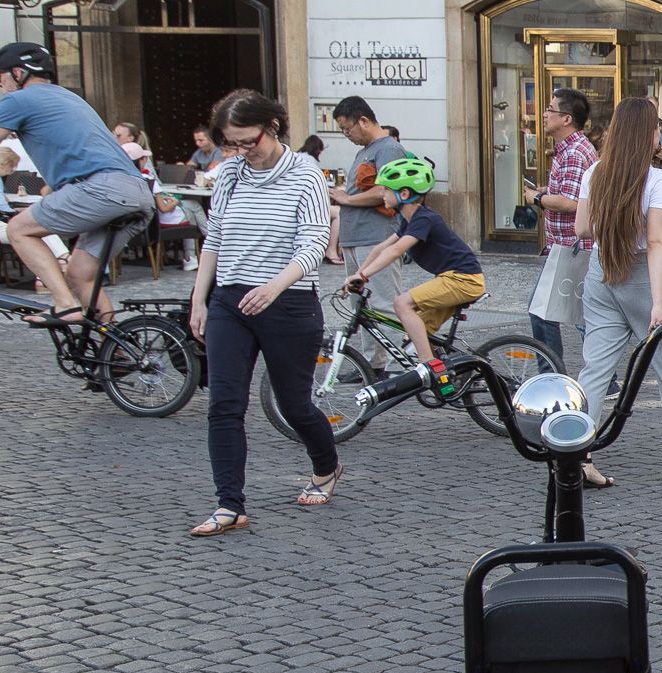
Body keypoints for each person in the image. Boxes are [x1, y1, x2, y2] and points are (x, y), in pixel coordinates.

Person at [186, 89, 338, 537]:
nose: (240, 151)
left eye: (247, 141)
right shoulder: (230, 171)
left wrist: (273, 287)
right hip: (229, 302)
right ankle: (229, 504)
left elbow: (313, 244)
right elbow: (214, 238)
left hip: (287, 301)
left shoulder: (305, 173)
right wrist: (199, 298)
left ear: (271, 127)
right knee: (224, 405)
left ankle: (327, 467)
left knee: (294, 405)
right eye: (231, 143)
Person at [576, 97, 662, 484]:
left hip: (602, 269)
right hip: (640, 274)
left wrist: (614, 226)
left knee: (596, 368)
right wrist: (658, 302)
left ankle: (580, 454)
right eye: (656, 125)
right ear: (646, 133)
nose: (660, 131)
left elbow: (582, 229)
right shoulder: (655, 180)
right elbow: (656, 243)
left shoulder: (596, 172)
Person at [0, 42, 154, 325]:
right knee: (79, 274)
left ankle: (64, 305)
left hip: (99, 189)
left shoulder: (18, 101)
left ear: (17, 73)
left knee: (19, 229)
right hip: (135, 190)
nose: (0, 84)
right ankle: (115, 348)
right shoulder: (68, 96)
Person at [345, 157, 486, 366]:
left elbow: (396, 250)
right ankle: (455, 372)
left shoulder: (424, 219)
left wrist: (364, 275)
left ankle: (428, 365)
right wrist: (357, 274)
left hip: (464, 280)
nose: (381, 194)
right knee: (416, 330)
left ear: (404, 194)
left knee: (401, 303)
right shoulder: (408, 220)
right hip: (453, 279)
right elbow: (380, 248)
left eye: (385, 189)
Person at [329, 96, 407, 368]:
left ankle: (397, 365)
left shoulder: (387, 149)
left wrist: (346, 199)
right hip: (356, 238)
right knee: (360, 305)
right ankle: (370, 364)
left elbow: (387, 191)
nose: (346, 134)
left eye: (346, 128)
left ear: (363, 120)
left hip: (376, 237)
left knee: (384, 303)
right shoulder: (365, 151)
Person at [524, 86, 596, 371]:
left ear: (566, 118)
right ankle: (558, 372)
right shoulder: (569, 149)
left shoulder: (576, 152)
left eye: (550, 109)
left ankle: (551, 373)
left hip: (571, 248)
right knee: (572, 315)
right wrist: (546, 189)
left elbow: (572, 202)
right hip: (563, 247)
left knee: (545, 312)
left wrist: (538, 198)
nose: (544, 114)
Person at [0, 145, 69, 263]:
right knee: (39, 231)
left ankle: (58, 263)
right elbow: (2, 208)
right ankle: (64, 259)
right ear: (6, 164)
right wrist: (20, 211)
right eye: (13, 166)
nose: (13, 171)